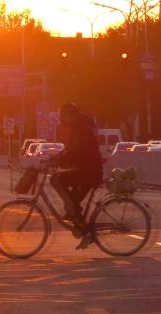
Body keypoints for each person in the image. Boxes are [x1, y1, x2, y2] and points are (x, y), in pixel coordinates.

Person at [49, 103, 103, 250]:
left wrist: (61, 161)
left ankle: (85, 231)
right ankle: (74, 214)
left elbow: (77, 151)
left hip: (89, 172)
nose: (62, 119)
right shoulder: (78, 127)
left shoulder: (81, 128)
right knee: (59, 185)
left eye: (63, 116)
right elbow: (69, 149)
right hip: (85, 170)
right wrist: (54, 159)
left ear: (71, 114)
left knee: (58, 180)